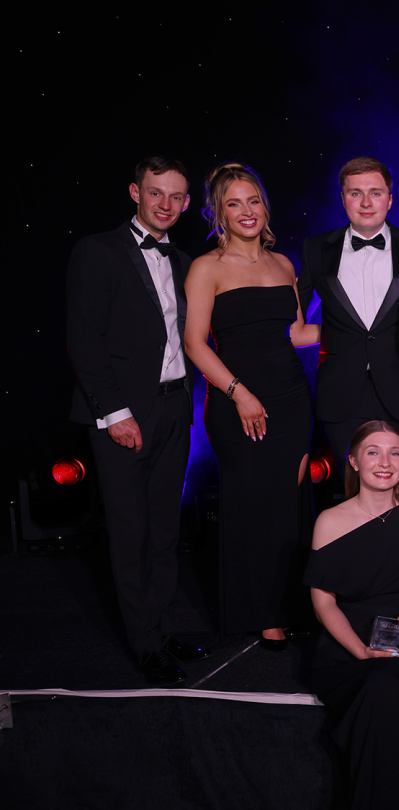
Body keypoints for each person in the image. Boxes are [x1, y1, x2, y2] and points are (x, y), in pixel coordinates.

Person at [65, 156, 210, 684]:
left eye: (176, 196)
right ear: (135, 192)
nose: (166, 205)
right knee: (131, 533)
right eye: (156, 194)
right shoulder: (98, 251)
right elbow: (84, 338)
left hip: (175, 407)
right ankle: (144, 645)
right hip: (123, 414)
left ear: (188, 202)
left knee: (165, 530)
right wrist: (115, 412)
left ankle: (162, 629)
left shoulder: (185, 260)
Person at [184, 163, 318, 649]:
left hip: (290, 396)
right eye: (234, 203)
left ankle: (290, 604)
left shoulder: (284, 265)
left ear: (265, 207)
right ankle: (259, 610)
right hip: (234, 398)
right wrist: (238, 392)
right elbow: (196, 344)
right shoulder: (207, 267)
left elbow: (298, 332)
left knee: (289, 498)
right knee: (253, 500)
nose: (247, 212)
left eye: (253, 201)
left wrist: (359, 329)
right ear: (218, 212)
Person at [304, 421, 399, 810]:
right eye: (373, 452)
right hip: (345, 641)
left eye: (395, 452)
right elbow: (324, 602)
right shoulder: (329, 521)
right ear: (353, 461)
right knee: (377, 689)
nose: (385, 462)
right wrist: (360, 651)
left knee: (385, 688)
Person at [297, 157, 399, 508]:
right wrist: (329, 332)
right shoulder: (316, 249)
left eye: (375, 193)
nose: (365, 202)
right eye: (355, 193)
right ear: (342, 198)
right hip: (343, 395)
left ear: (390, 199)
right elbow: (290, 319)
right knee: (357, 503)